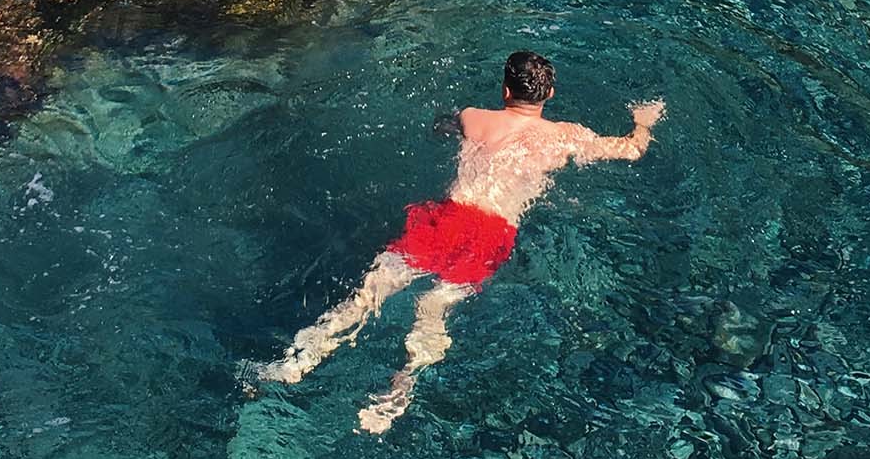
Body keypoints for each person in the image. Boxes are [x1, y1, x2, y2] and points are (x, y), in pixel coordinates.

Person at [258, 50, 666, 434]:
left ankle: (297, 362)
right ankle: (400, 388)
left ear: (504, 90)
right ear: (551, 94)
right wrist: (644, 121)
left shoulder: (474, 117)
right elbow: (632, 150)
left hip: (449, 218)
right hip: (493, 232)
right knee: (433, 309)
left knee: (371, 291)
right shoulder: (565, 137)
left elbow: (443, 125)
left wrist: (446, 128)